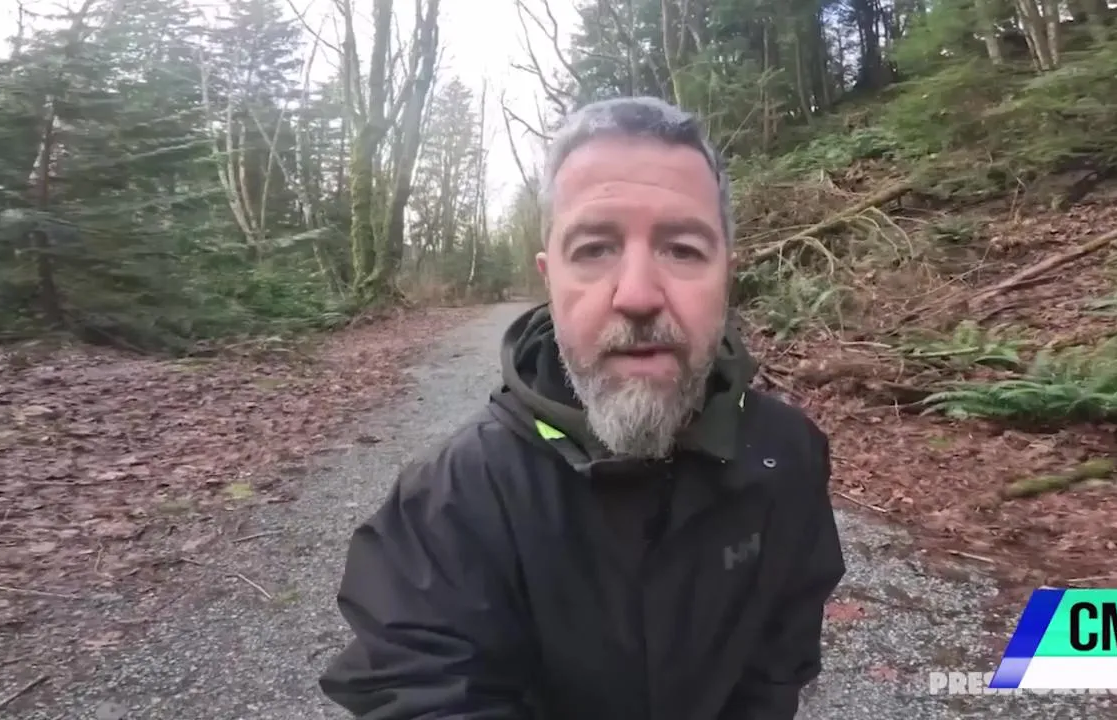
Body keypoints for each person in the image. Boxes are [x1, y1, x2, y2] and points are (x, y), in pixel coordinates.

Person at [319, 96, 846, 720]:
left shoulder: (788, 458)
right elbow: (419, 693)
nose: (638, 295)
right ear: (549, 278)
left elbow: (776, 667)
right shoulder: (452, 501)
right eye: (595, 249)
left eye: (682, 249)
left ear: (726, 274)